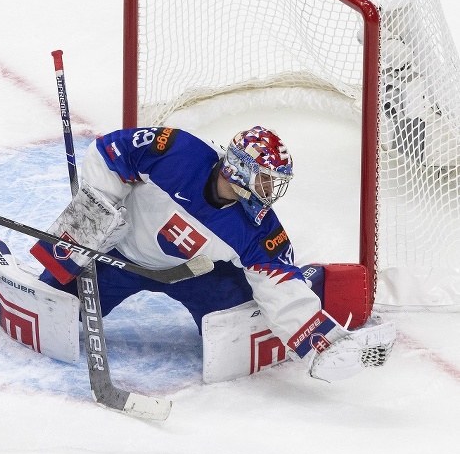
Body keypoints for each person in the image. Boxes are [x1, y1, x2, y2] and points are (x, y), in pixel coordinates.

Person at [31, 125, 395, 381]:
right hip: (120, 255)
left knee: (235, 327)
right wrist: (94, 217)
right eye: (266, 178)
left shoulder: (258, 227)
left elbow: (277, 282)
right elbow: (110, 151)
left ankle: (310, 285)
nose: (272, 189)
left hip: (194, 275)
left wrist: (323, 346)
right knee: (52, 306)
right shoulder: (177, 151)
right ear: (238, 169)